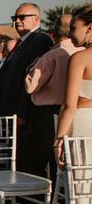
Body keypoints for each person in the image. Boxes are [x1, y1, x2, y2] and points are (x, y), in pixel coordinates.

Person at [54, 4, 92, 204]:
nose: (70, 33)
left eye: (74, 27)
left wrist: (58, 139)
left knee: (82, 195)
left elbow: (68, 106)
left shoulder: (81, 58)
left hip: (84, 126)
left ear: (89, 28)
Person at [0, 3, 53, 172]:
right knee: (16, 157)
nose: (17, 21)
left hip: (23, 114)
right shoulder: (21, 42)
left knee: (25, 159)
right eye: (15, 18)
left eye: (22, 17)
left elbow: (34, 79)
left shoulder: (40, 40)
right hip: (10, 111)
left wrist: (22, 111)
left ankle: (24, 197)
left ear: (36, 19)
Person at [24, 15, 82, 182]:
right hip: (76, 112)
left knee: (41, 157)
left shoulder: (52, 55)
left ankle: (42, 198)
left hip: (47, 114)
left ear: (53, 34)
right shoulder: (82, 53)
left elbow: (31, 87)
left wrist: (31, 68)